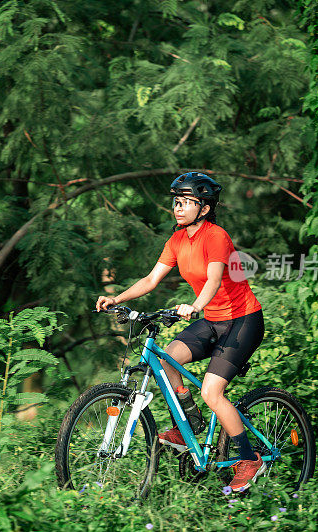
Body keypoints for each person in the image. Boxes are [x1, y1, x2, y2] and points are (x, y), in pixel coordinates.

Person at [95, 172, 266, 493]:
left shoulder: (216, 236)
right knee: (169, 358)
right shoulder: (176, 240)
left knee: (212, 393)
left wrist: (195, 305)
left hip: (243, 320)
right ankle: (188, 422)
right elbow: (149, 280)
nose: (178, 207)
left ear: (203, 208)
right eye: (176, 201)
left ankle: (249, 458)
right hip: (213, 319)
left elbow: (214, 280)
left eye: (186, 202)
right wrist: (115, 298)